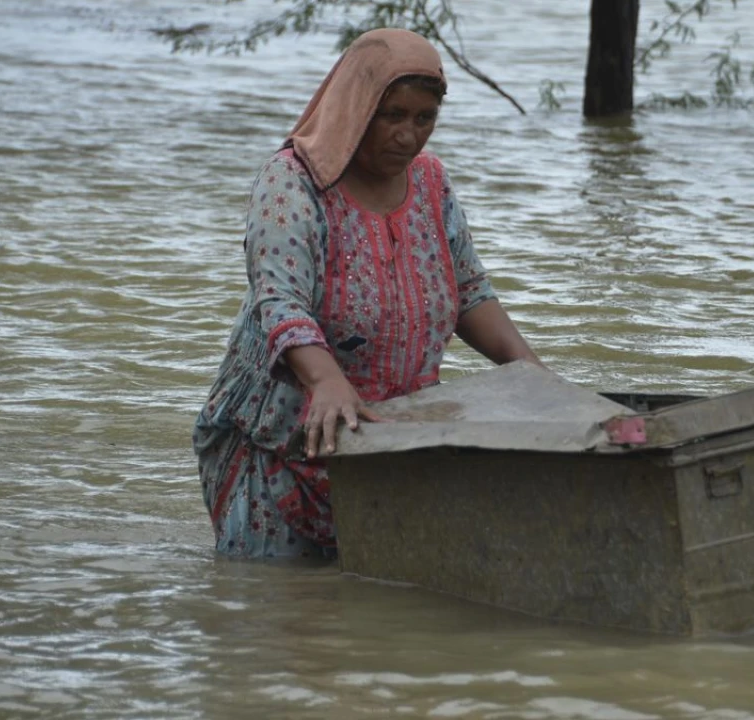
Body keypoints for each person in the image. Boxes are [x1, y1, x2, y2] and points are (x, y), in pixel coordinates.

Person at [192, 29, 541, 560]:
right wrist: (327, 381)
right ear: (358, 106)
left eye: (424, 119)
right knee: (276, 614)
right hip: (279, 444)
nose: (409, 136)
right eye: (393, 115)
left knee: (370, 611)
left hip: (387, 450)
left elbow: (468, 290)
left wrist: (531, 373)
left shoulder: (431, 183)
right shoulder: (293, 181)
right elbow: (280, 301)